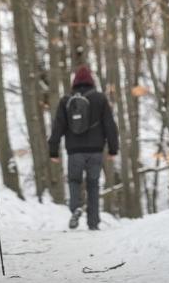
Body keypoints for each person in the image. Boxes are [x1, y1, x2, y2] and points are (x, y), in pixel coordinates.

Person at [48, 65, 119, 231]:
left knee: (74, 181)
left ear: (74, 82)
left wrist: (53, 150)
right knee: (93, 185)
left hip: (74, 152)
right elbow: (110, 125)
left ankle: (76, 208)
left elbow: (57, 127)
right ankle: (93, 223)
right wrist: (113, 149)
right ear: (91, 81)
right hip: (95, 151)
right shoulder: (100, 99)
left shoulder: (66, 101)